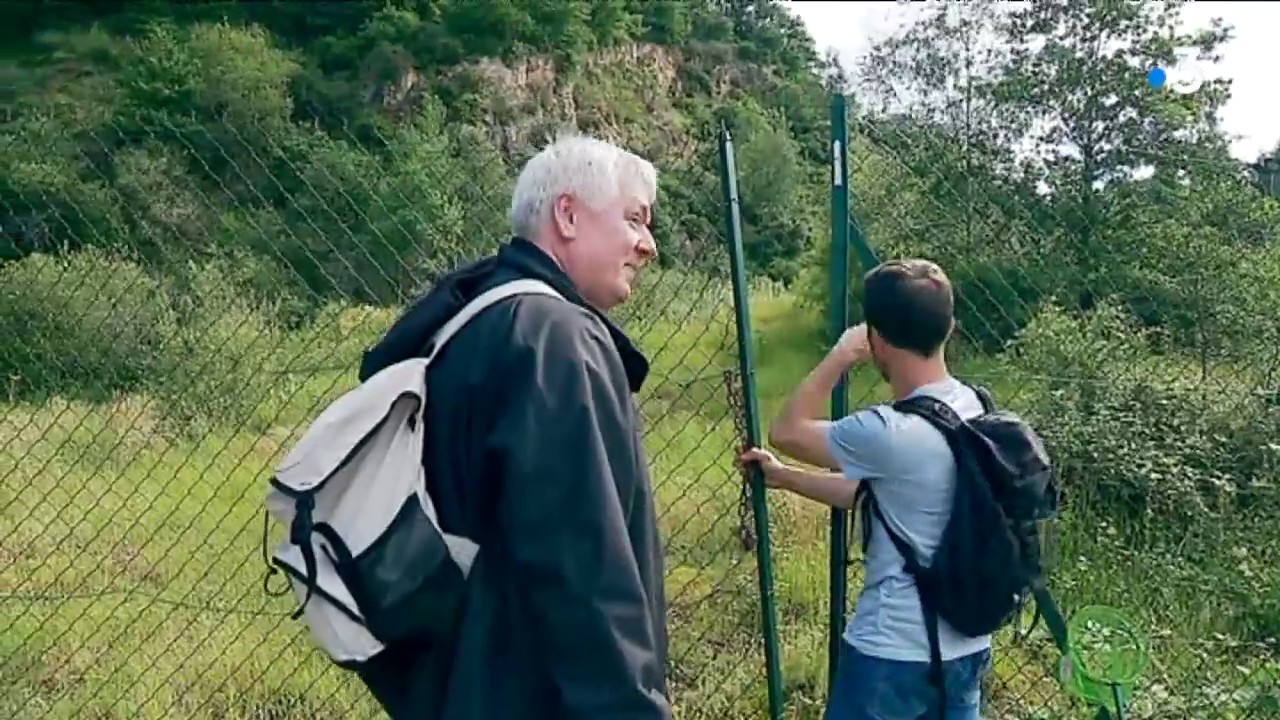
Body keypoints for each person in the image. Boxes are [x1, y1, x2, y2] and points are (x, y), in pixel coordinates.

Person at [353, 133, 670, 720]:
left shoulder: (475, 322)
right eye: (634, 219)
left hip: (468, 680)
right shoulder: (554, 336)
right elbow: (580, 562)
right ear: (568, 215)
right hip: (539, 692)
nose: (647, 245)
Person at [742, 259, 993, 720]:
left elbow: (788, 430)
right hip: (969, 644)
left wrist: (840, 355)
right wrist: (786, 477)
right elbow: (881, 494)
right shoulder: (977, 407)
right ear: (949, 327)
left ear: (875, 339)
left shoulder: (888, 431)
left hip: (892, 656)